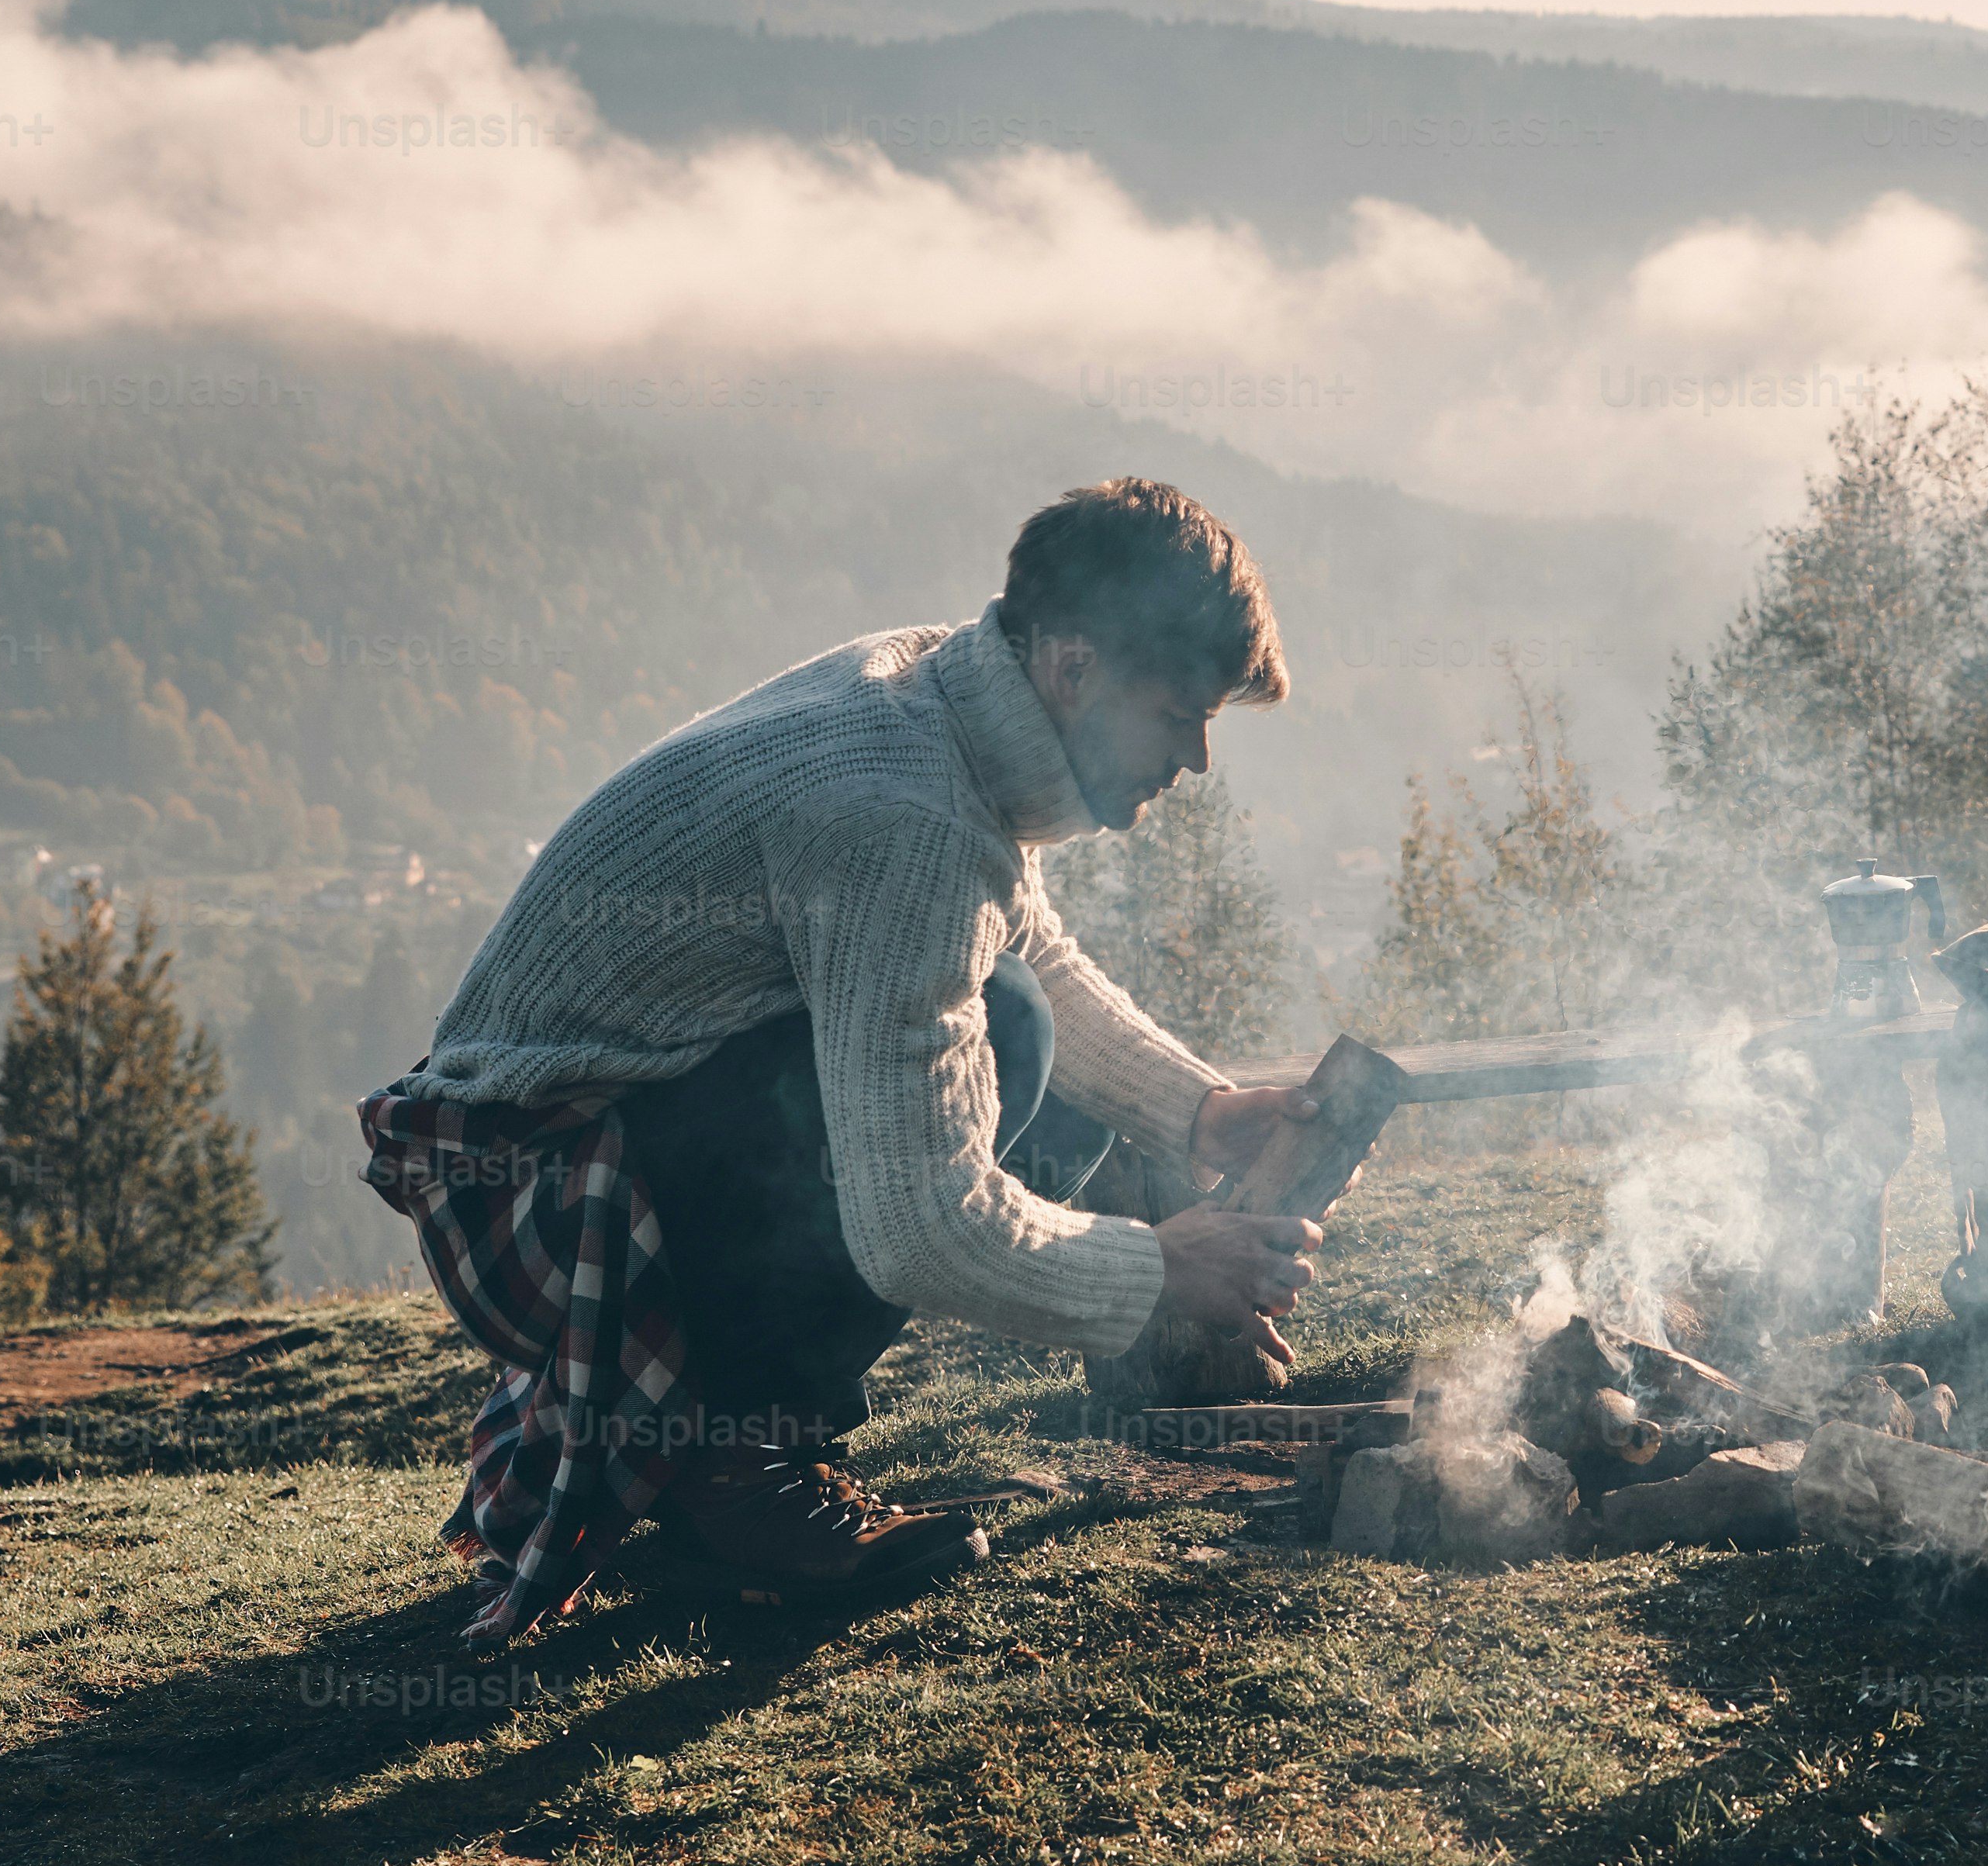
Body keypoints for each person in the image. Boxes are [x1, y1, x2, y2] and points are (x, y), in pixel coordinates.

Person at [359, 479, 1325, 1646]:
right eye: (1180, 714)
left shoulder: (950, 694)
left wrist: (1200, 1109)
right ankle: (735, 1475)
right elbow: (914, 1224)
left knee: (1017, 1024)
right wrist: (1153, 1270)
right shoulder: (902, 811)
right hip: (534, 1200)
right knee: (1004, 1035)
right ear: (1073, 668)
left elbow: (1021, 941)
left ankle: (724, 1434)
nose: (1200, 760)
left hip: (586, 1146)